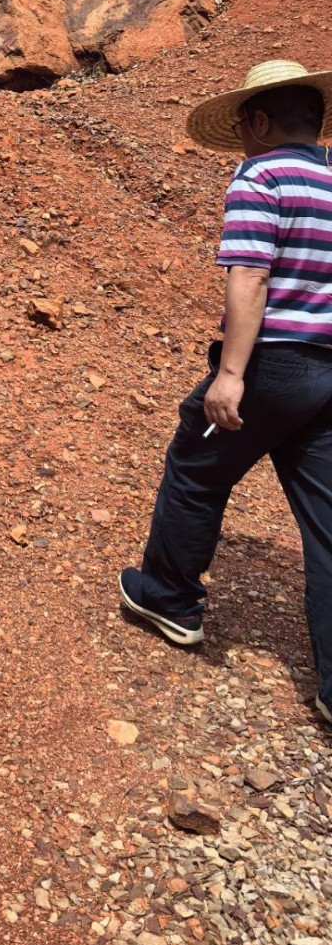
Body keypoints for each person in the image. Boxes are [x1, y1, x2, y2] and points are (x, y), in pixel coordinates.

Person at [119, 60, 332, 729]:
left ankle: (169, 599)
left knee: (195, 468)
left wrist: (231, 373)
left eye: (243, 123)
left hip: (274, 367)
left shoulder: (261, 175)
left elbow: (250, 279)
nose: (240, 136)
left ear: (262, 121)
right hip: (328, 370)